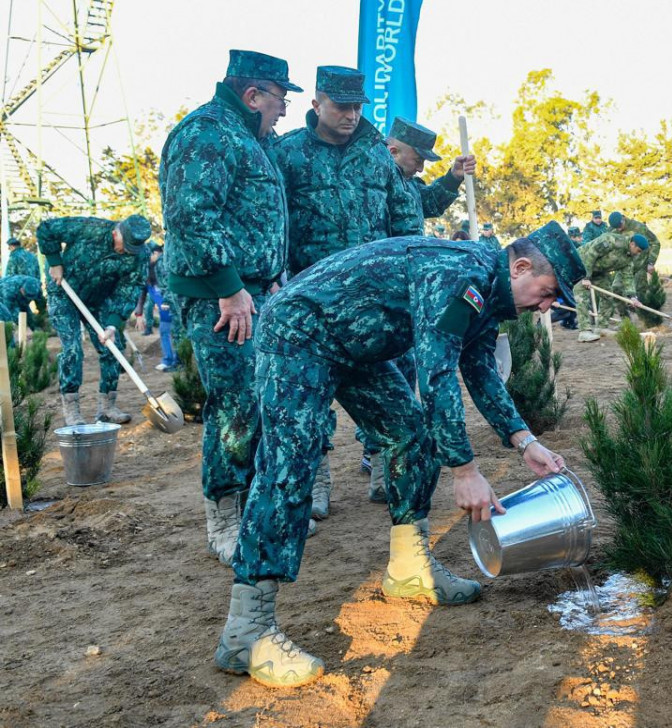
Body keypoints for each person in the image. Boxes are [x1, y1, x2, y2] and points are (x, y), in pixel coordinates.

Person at [215, 223, 584, 688]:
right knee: (291, 465)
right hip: (301, 332)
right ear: (521, 267)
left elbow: (480, 370)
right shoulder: (457, 273)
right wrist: (465, 470)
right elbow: (436, 374)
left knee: (411, 436)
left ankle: (409, 568)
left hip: (355, 348)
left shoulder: (489, 294)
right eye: (549, 293)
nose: (548, 306)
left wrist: (524, 440)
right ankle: (247, 630)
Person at [275, 65, 462, 520]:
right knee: (310, 399)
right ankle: (317, 482)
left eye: (358, 106)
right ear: (317, 104)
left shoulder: (377, 157)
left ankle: (383, 468)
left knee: (393, 388)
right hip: (310, 303)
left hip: (372, 303)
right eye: (341, 106)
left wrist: (407, 285)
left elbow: (404, 224)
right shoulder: (287, 154)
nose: (351, 115)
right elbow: (274, 224)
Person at [160, 49, 299, 566]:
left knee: (260, 399)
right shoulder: (208, 133)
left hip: (256, 292)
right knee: (234, 405)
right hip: (224, 299)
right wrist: (228, 286)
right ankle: (222, 514)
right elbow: (190, 215)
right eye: (281, 99)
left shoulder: (249, 137)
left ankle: (252, 503)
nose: (284, 110)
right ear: (253, 94)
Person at [37, 215, 150, 425]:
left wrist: (112, 323)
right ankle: (72, 410)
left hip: (97, 300)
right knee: (72, 349)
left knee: (111, 346)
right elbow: (47, 229)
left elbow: (129, 289)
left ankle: (107, 408)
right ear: (116, 233)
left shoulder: (139, 256)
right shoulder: (89, 228)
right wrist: (54, 262)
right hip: (64, 292)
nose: (126, 252)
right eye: (124, 246)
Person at [385, 116, 475, 232]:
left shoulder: (408, 182)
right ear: (394, 152)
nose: (421, 169)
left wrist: (453, 177)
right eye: (417, 161)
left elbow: (430, 203)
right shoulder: (372, 180)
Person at [572, 231, 645, 343]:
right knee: (582, 295)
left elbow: (628, 277)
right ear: (632, 244)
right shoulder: (612, 241)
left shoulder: (628, 259)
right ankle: (584, 331)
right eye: (638, 250)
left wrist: (632, 297)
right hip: (580, 264)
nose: (638, 254)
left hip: (599, 272)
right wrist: (586, 277)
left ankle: (601, 327)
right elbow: (591, 254)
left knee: (608, 295)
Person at [133, 241, 178, 372]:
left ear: (156, 253)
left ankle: (179, 362)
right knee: (164, 333)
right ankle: (168, 360)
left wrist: (168, 301)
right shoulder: (147, 270)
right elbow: (143, 292)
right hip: (164, 312)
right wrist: (139, 314)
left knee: (177, 335)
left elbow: (172, 286)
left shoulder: (165, 266)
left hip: (175, 310)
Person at [608, 211, 660, 276]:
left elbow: (655, 243)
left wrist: (651, 262)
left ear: (623, 219)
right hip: (621, 270)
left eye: (620, 226)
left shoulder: (639, 228)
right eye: (616, 227)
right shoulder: (611, 230)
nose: (619, 229)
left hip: (639, 270)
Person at [6, 236, 43, 323]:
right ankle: (45, 327)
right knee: (42, 309)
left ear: (12, 246)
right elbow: (38, 270)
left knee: (22, 309)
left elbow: (10, 276)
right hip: (35, 285)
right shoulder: (31, 255)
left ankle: (29, 328)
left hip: (22, 288)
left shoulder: (14, 257)